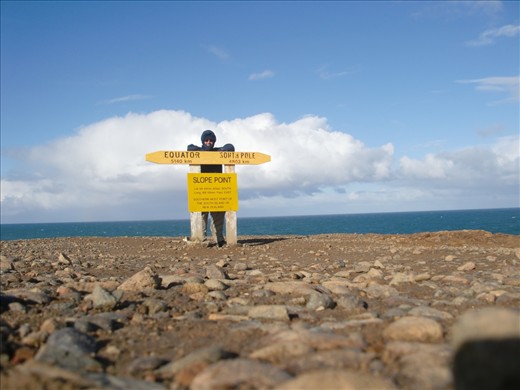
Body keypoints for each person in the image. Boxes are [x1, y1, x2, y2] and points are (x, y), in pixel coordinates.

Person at [187, 130, 234, 247]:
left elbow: (230, 147)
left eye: (211, 140)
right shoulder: (198, 151)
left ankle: (219, 240)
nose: (209, 142)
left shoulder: (218, 151)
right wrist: (202, 152)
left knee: (218, 216)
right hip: (201, 190)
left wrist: (223, 150)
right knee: (201, 215)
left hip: (217, 190)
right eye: (206, 140)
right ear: (203, 141)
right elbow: (189, 148)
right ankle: (201, 239)